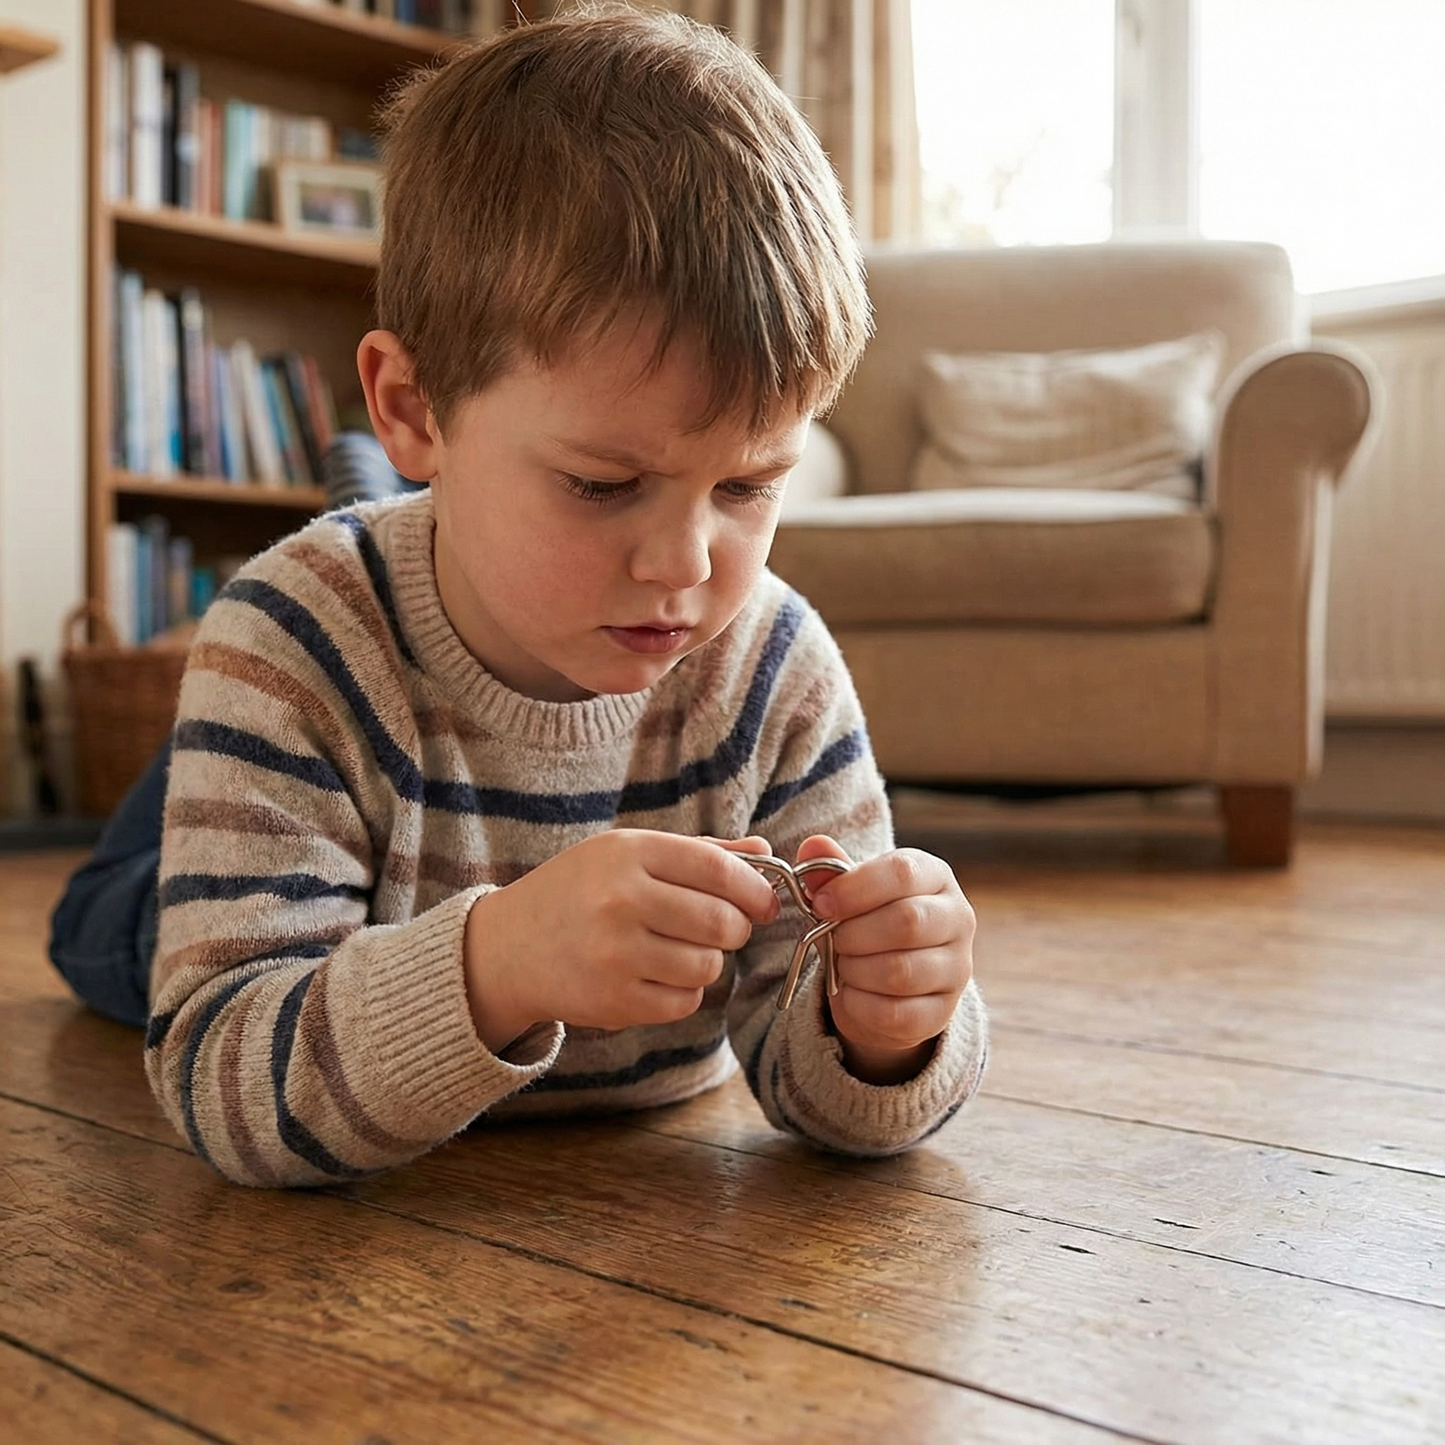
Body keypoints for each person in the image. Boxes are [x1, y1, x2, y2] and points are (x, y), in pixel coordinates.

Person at [51, 7, 987, 1188]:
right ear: (414, 407)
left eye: (749, 483)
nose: (683, 564)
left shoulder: (772, 661)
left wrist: (887, 1025)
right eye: (602, 483)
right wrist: (496, 962)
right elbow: (226, 1078)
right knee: (116, 930)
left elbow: (824, 1088)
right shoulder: (291, 631)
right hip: (294, 791)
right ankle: (356, 520)